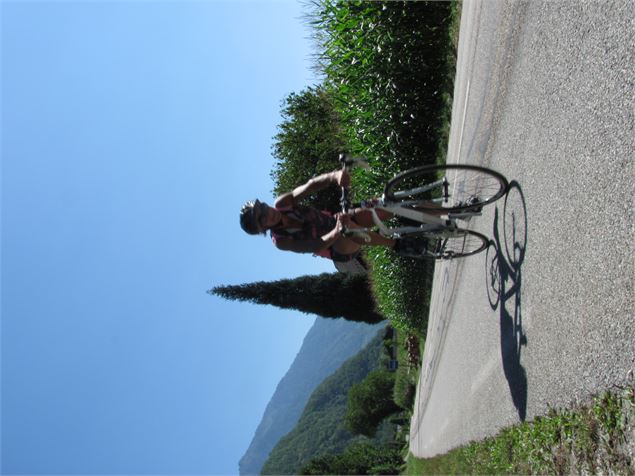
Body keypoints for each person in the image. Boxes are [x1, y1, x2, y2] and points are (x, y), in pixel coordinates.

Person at [239, 169, 400, 263]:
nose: (267, 213)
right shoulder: (281, 241)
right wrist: (337, 230)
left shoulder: (283, 204)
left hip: (339, 219)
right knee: (348, 228)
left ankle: (412, 210)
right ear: (263, 229)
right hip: (338, 248)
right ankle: (396, 245)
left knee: (381, 210)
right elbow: (314, 246)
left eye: (263, 207)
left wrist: (334, 176)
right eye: (262, 218)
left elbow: (310, 186)